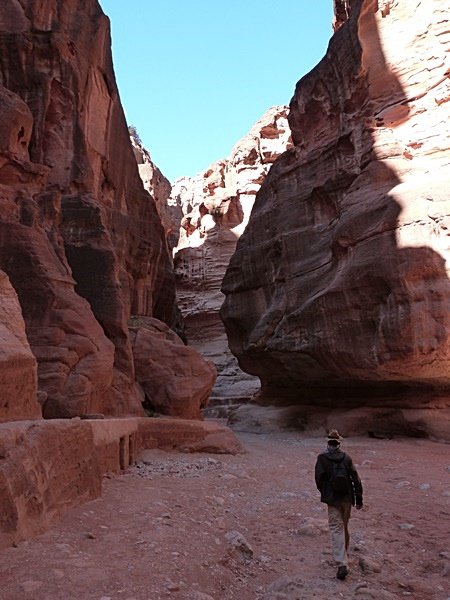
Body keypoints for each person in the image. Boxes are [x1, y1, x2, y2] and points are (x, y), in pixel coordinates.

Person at [314, 429, 363, 580]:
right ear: (339, 443)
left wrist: (325, 492)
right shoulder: (346, 458)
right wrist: (358, 498)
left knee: (336, 527)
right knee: (344, 525)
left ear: (328, 442)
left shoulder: (322, 458)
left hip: (332, 499)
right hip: (347, 498)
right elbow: (356, 479)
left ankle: (342, 562)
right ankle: (344, 555)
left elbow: (318, 479)